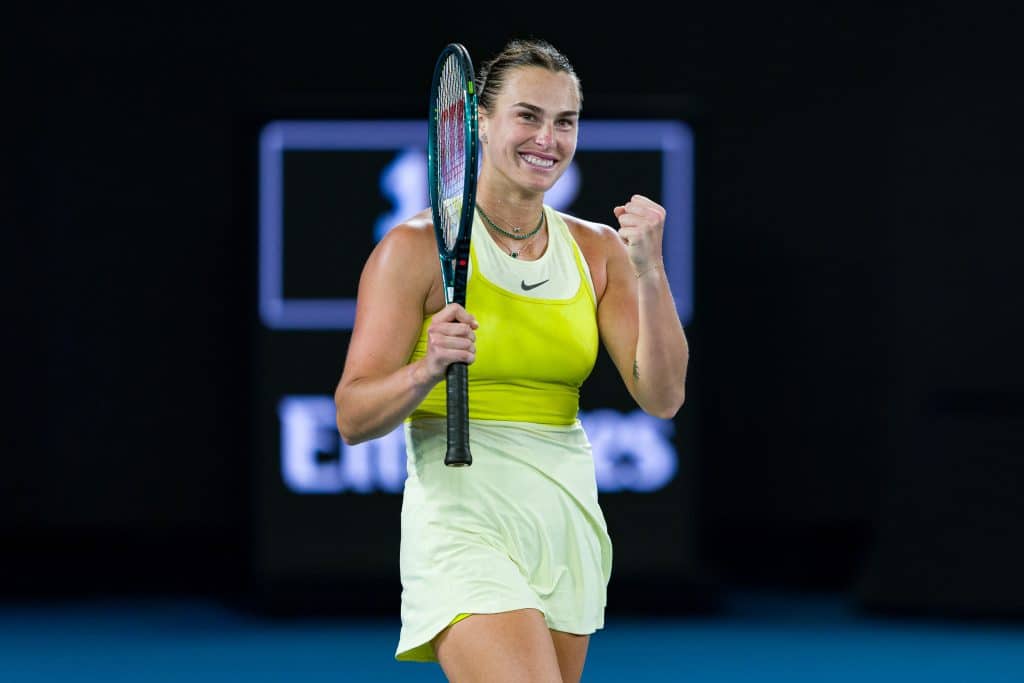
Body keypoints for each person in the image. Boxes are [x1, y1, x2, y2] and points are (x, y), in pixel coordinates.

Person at [334, 37, 689, 683]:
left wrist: (650, 271)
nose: (546, 139)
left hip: (565, 516)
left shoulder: (599, 250)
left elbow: (662, 395)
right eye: (528, 115)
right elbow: (353, 416)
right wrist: (425, 369)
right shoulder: (412, 249)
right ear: (478, 121)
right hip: (462, 516)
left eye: (565, 121)